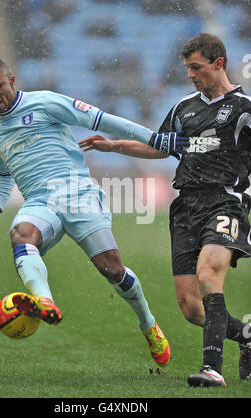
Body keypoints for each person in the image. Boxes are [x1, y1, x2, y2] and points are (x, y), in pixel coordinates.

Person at [0, 57, 189, 367]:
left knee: (112, 269)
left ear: (12, 81)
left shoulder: (45, 102)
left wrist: (154, 138)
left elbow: (102, 119)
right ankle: (44, 300)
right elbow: (3, 174)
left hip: (77, 194)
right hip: (39, 202)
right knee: (20, 235)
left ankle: (148, 324)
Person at [79, 33, 251, 387]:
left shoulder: (244, 108)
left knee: (208, 275)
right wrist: (114, 146)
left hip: (225, 201)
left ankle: (212, 369)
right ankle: (247, 335)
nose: (190, 74)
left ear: (219, 63)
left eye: (196, 67)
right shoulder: (184, 107)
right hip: (185, 207)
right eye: (187, 68)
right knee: (191, 307)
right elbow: (159, 146)